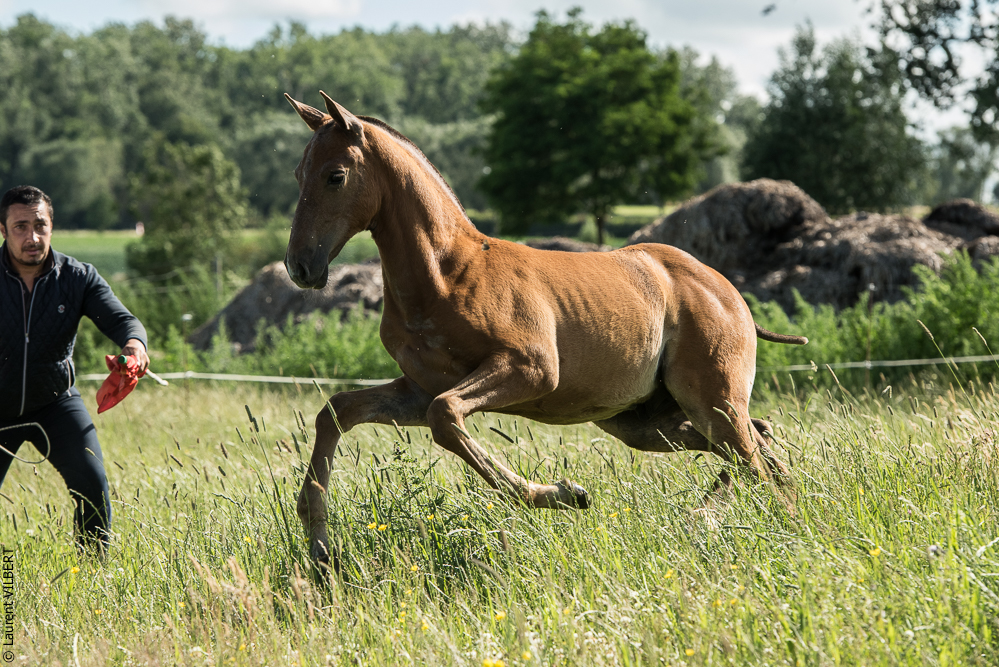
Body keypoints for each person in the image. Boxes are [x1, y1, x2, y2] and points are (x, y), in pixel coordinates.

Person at [0, 185, 149, 553]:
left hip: (55, 403)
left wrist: (135, 345)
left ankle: (93, 570)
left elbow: (123, 321)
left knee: (92, 481)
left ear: (52, 226)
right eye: (20, 227)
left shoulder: (78, 277)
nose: (32, 237)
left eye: (40, 225)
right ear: (3, 230)